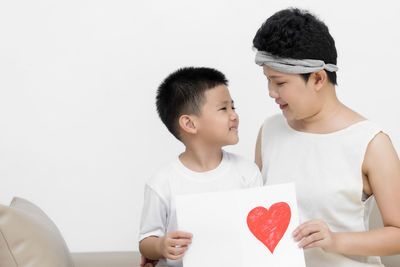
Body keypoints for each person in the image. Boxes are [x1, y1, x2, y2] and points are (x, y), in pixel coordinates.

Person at [253, 8, 400, 266]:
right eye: (267, 80)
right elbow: (251, 213)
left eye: (280, 82)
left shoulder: (371, 142)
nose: (271, 92)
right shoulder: (269, 132)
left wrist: (336, 240)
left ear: (318, 79)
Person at [139, 67, 263, 267]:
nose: (234, 116)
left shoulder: (247, 173)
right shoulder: (163, 183)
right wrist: (160, 246)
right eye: (224, 109)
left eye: (233, 107)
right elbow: (146, 240)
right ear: (189, 123)